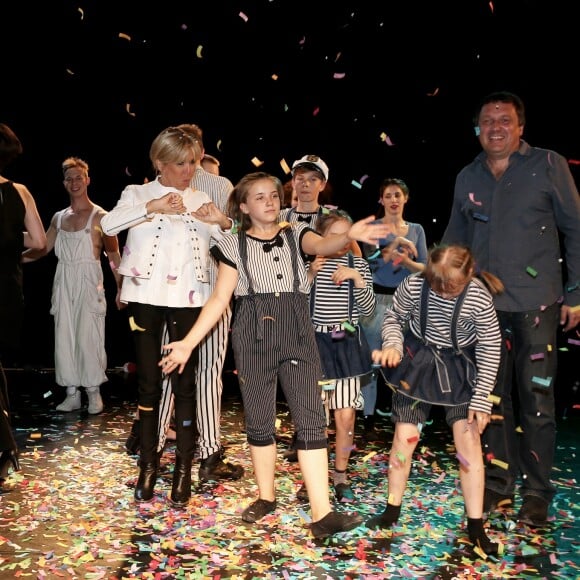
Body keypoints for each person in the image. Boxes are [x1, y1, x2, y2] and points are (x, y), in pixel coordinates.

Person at [158, 171, 391, 538]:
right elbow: (220, 299)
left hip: (297, 330)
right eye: (260, 196)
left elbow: (323, 245)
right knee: (260, 418)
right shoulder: (233, 245)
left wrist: (350, 236)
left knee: (311, 418)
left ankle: (322, 513)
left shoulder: (297, 233)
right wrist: (188, 342)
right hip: (253, 332)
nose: (270, 201)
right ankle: (266, 497)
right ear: (245, 206)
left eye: (273, 195)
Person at [441, 91, 580, 527]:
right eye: (487, 120)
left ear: (520, 127)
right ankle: (499, 484)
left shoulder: (548, 165)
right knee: (490, 401)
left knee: (537, 399)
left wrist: (575, 292)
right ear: (477, 129)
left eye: (505, 120)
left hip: (537, 305)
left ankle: (537, 492)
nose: (495, 127)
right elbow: (454, 238)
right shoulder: (468, 175)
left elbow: (575, 228)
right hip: (483, 308)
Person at [101, 126, 233, 507]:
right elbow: (107, 225)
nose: (188, 170)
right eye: (180, 163)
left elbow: (228, 248)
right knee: (148, 384)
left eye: (192, 162)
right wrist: (151, 208)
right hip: (145, 298)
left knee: (185, 385)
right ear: (160, 163)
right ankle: (148, 467)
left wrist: (220, 221)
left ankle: (184, 472)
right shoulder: (137, 194)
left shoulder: (202, 197)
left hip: (189, 300)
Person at [366, 244, 504, 556]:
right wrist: (393, 345)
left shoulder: (479, 297)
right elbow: (394, 318)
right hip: (418, 360)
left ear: (468, 276)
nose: (442, 292)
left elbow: (490, 348)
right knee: (404, 437)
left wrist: (481, 399)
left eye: (451, 286)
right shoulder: (415, 285)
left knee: (468, 443)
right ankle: (391, 510)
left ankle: (476, 527)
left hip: (460, 367)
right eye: (436, 283)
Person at [22, 157, 123, 415]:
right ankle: (71, 393)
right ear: (64, 183)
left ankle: (93, 392)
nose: (74, 182)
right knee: (65, 336)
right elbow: (42, 248)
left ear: (87, 180)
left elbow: (113, 256)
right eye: (69, 178)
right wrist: (17, 259)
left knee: (89, 336)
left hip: (89, 281)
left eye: (79, 177)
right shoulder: (58, 217)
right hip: (64, 280)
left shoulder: (101, 217)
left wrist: (122, 288)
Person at [279, 154, 361, 461]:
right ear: (293, 181)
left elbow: (356, 254)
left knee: (323, 378)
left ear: (322, 184)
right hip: (286, 300)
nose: (306, 183)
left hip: (323, 310)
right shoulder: (280, 216)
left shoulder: (331, 219)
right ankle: (304, 433)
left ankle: (326, 443)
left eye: (313, 178)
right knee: (292, 372)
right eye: (300, 177)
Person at [300, 209, 375, 503]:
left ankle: (341, 475)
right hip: (317, 347)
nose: (343, 241)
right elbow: (297, 307)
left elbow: (368, 311)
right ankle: (313, 477)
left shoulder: (358, 264)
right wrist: (309, 276)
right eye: (336, 235)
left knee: (345, 418)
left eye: (348, 235)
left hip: (346, 346)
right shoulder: (312, 262)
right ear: (321, 237)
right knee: (315, 418)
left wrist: (358, 279)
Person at [359, 178, 428, 440]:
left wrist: (406, 259)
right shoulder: (373, 228)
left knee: (408, 361)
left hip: (408, 301)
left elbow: (424, 268)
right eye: (388, 195)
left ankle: (406, 421)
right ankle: (367, 421)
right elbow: (370, 263)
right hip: (377, 301)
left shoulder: (417, 230)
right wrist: (394, 243)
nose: (393, 200)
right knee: (373, 362)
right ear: (381, 200)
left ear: (406, 198)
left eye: (398, 195)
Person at [0, 123, 47, 484]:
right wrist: (15, 256)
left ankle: (4, 446)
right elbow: (39, 241)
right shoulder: (20, 191)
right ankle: (4, 447)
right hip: (8, 290)